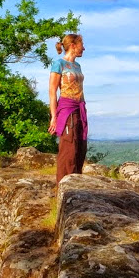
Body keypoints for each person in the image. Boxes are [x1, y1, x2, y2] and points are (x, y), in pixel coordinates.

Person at [48, 34, 88, 185]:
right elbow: (52, 91)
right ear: (73, 45)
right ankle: (65, 187)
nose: (83, 48)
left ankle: (76, 182)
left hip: (80, 108)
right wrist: (54, 117)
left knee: (80, 147)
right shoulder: (58, 64)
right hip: (67, 108)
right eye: (81, 44)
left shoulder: (77, 66)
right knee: (68, 149)